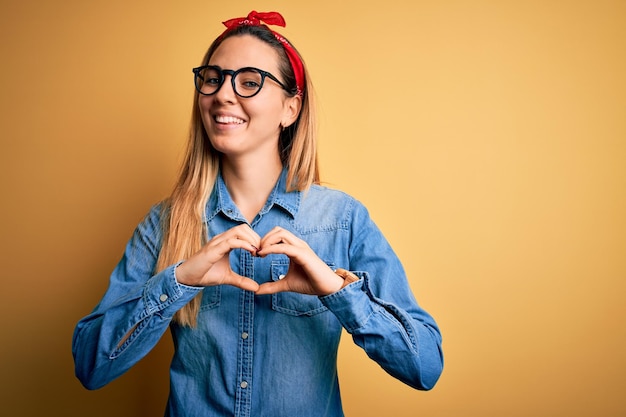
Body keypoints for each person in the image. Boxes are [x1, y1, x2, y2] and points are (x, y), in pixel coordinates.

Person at [72, 10, 443, 417]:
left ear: (290, 109)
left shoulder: (343, 219)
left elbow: (424, 365)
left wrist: (337, 291)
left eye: (250, 82)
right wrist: (179, 280)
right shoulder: (165, 223)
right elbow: (90, 366)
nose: (223, 95)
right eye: (213, 79)